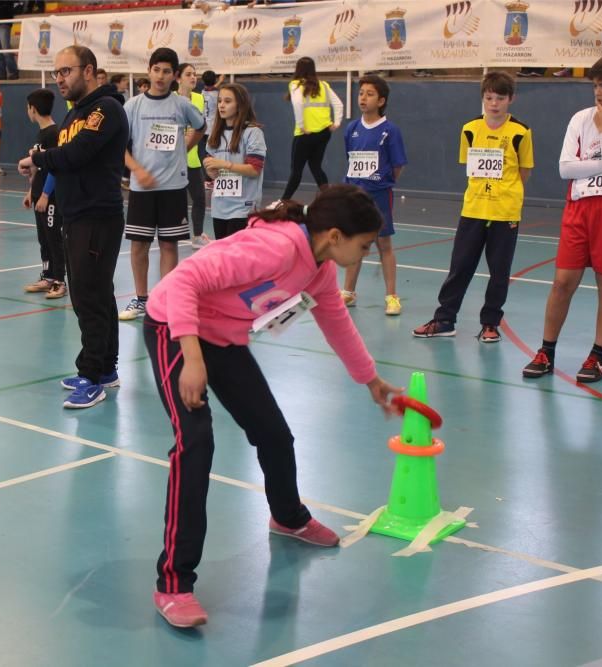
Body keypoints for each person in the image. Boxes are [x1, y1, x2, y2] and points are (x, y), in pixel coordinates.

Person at [143, 188, 402, 628]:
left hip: (222, 339)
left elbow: (335, 319)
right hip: (175, 328)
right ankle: (174, 583)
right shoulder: (274, 249)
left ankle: (288, 517)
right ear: (335, 236)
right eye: (362, 246)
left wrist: (371, 380)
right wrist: (192, 356)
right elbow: (186, 279)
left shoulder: (317, 266)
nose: (363, 255)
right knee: (196, 445)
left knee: (274, 434)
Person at [523, 53, 602, 383]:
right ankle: (546, 351)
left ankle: (598, 355)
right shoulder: (579, 119)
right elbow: (566, 168)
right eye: (594, 86)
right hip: (579, 208)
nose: (598, 92)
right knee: (562, 282)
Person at [17, 45, 129, 409]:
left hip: (97, 216)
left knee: (88, 297)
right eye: (57, 72)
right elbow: (65, 162)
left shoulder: (106, 109)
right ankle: (107, 369)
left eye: (66, 71)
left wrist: (37, 157)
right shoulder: (75, 113)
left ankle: (92, 376)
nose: (59, 79)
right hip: (77, 214)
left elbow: (77, 155)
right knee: (95, 293)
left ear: (90, 70)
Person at [412, 71, 533, 342]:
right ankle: (445, 319)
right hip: (473, 209)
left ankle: (490, 323)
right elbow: (470, 168)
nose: (494, 103)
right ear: (483, 98)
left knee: (499, 272)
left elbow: (524, 172)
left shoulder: (521, 132)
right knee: (460, 267)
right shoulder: (469, 129)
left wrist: (505, 193)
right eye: (489, 97)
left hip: (505, 212)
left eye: (500, 98)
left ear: (510, 99)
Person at [119, 47, 205, 321]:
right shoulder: (133, 106)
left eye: (167, 71)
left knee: (169, 245)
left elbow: (200, 126)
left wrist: (185, 146)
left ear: (175, 76)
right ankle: (141, 298)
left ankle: (165, 299)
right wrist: (137, 171)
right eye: (156, 70)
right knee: (138, 245)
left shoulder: (181, 105)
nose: (160, 75)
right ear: (149, 71)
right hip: (142, 188)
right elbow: (119, 145)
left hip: (173, 187)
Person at [340, 74, 408, 315]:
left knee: (383, 244)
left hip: (379, 196)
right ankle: (348, 291)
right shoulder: (352, 129)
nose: (363, 98)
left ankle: (391, 296)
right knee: (355, 243)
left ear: (381, 101)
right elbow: (350, 159)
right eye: (361, 94)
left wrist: (382, 182)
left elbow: (397, 165)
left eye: (369, 94)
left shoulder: (390, 131)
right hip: (355, 196)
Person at [199, 82, 266, 239]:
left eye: (228, 101)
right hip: (220, 206)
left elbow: (254, 169)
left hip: (243, 207)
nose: (222, 105)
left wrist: (224, 164)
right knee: (224, 258)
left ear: (240, 105)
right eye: (220, 101)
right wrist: (210, 170)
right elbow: (214, 174)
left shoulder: (252, 133)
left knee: (238, 257)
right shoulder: (215, 135)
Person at [22, 88, 66, 299]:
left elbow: (56, 168)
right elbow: (39, 167)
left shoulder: (54, 133)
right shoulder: (41, 134)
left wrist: (46, 194)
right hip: (39, 194)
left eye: (27, 107)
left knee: (54, 237)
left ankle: (59, 280)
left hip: (51, 198)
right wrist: (31, 191)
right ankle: (47, 275)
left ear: (33, 109)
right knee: (43, 238)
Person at [279, 56, 342, 201]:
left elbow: (298, 104)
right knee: (315, 166)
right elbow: (339, 104)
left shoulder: (295, 84)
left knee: (296, 170)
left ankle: (283, 201)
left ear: (298, 69)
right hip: (324, 133)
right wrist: (336, 122)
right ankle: (329, 198)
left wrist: (302, 126)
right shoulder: (324, 85)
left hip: (305, 133)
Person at [175, 63, 207, 248]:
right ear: (178, 78)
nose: (193, 77)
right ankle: (171, 232)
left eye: (195, 74)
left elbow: (199, 126)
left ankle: (197, 237)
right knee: (174, 199)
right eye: (188, 74)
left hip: (193, 158)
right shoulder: (171, 98)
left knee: (200, 198)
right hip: (174, 159)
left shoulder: (199, 98)